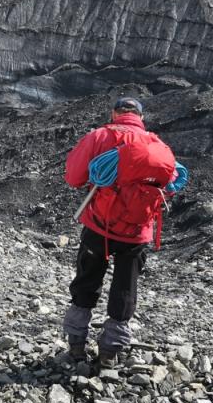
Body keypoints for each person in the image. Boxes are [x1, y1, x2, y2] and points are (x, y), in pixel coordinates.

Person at [62, 97, 187, 368]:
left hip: (100, 226)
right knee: (125, 290)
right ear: (141, 117)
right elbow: (170, 185)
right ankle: (110, 352)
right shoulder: (158, 147)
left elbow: (73, 178)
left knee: (87, 280)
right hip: (137, 233)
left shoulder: (100, 137)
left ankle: (76, 346)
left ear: (114, 113)